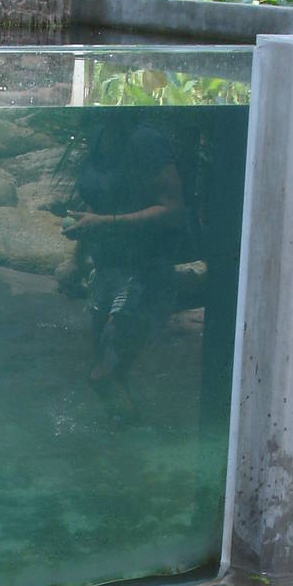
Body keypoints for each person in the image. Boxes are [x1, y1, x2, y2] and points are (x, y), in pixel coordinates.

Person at [63, 118, 189, 408]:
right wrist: (76, 260)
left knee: (104, 373)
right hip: (105, 271)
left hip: (145, 274)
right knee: (107, 372)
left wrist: (106, 223)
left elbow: (173, 210)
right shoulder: (99, 132)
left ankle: (143, 436)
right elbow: (98, 202)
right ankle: (126, 438)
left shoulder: (147, 142)